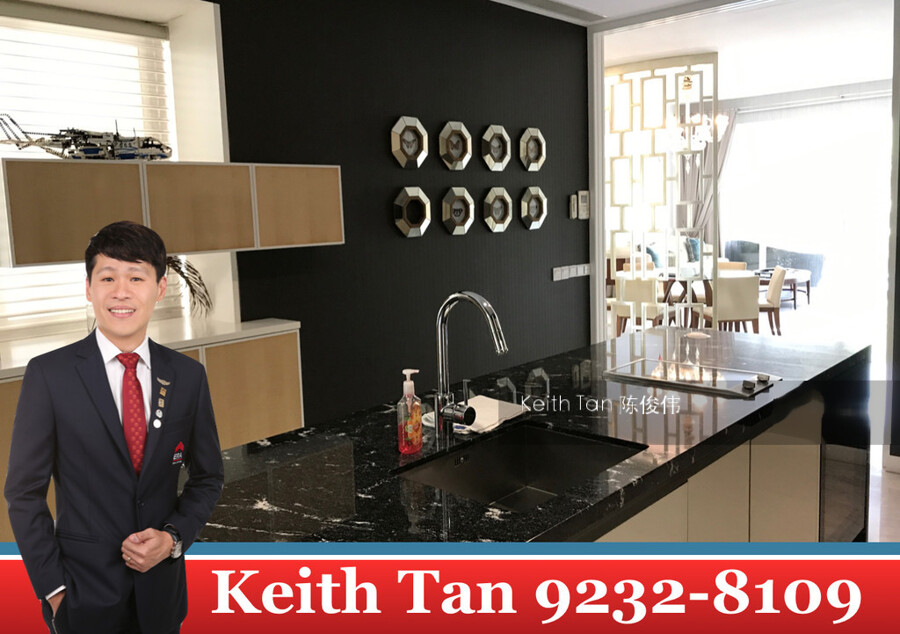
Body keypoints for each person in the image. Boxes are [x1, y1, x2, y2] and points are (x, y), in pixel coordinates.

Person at [4, 221, 225, 634]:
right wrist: (54, 590)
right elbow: (23, 492)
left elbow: (208, 476)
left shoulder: (187, 376)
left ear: (159, 288)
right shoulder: (50, 375)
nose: (121, 292)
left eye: (136, 278)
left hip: (162, 597)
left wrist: (172, 538)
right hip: (82, 598)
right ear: (89, 288)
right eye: (107, 278)